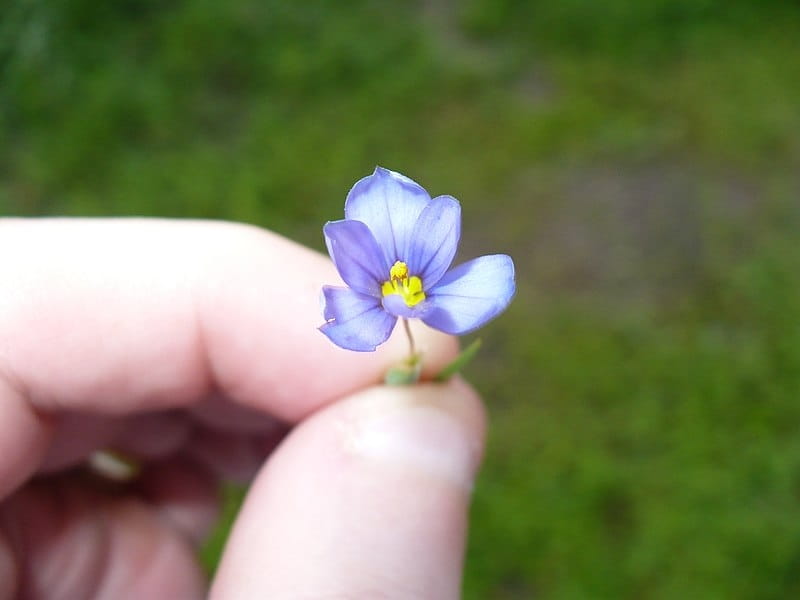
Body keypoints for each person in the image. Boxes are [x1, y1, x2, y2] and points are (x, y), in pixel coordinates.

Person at [0, 219, 485, 599]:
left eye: (408, 286)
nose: (403, 287)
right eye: (397, 283)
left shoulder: (399, 305)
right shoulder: (364, 315)